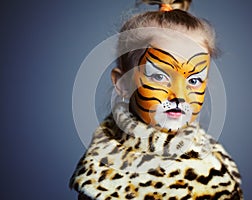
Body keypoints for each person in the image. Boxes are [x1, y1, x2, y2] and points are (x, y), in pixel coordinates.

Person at [70, 0, 243, 199]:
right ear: (123, 84)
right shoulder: (102, 170)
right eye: (159, 76)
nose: (179, 96)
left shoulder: (217, 168)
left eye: (194, 80)